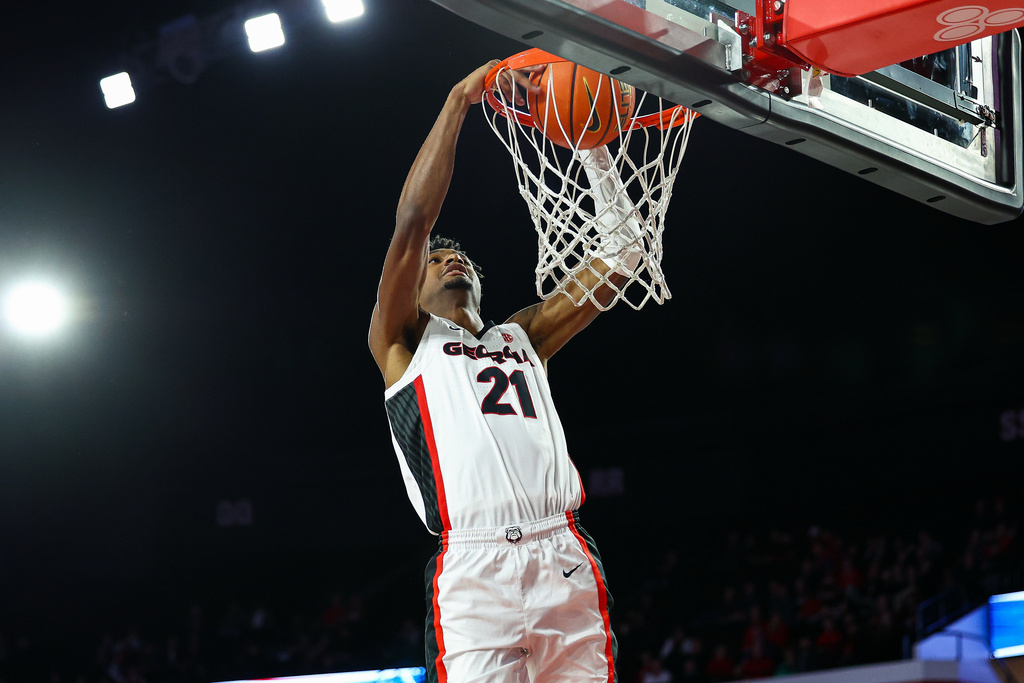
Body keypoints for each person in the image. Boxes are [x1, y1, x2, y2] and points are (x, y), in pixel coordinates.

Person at [368, 60, 643, 683]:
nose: (449, 260)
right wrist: (458, 99)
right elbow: (413, 221)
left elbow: (622, 255)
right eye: (437, 260)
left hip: (563, 553)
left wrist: (596, 150)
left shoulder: (523, 336)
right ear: (416, 283)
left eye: (459, 255)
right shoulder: (403, 343)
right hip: (474, 570)